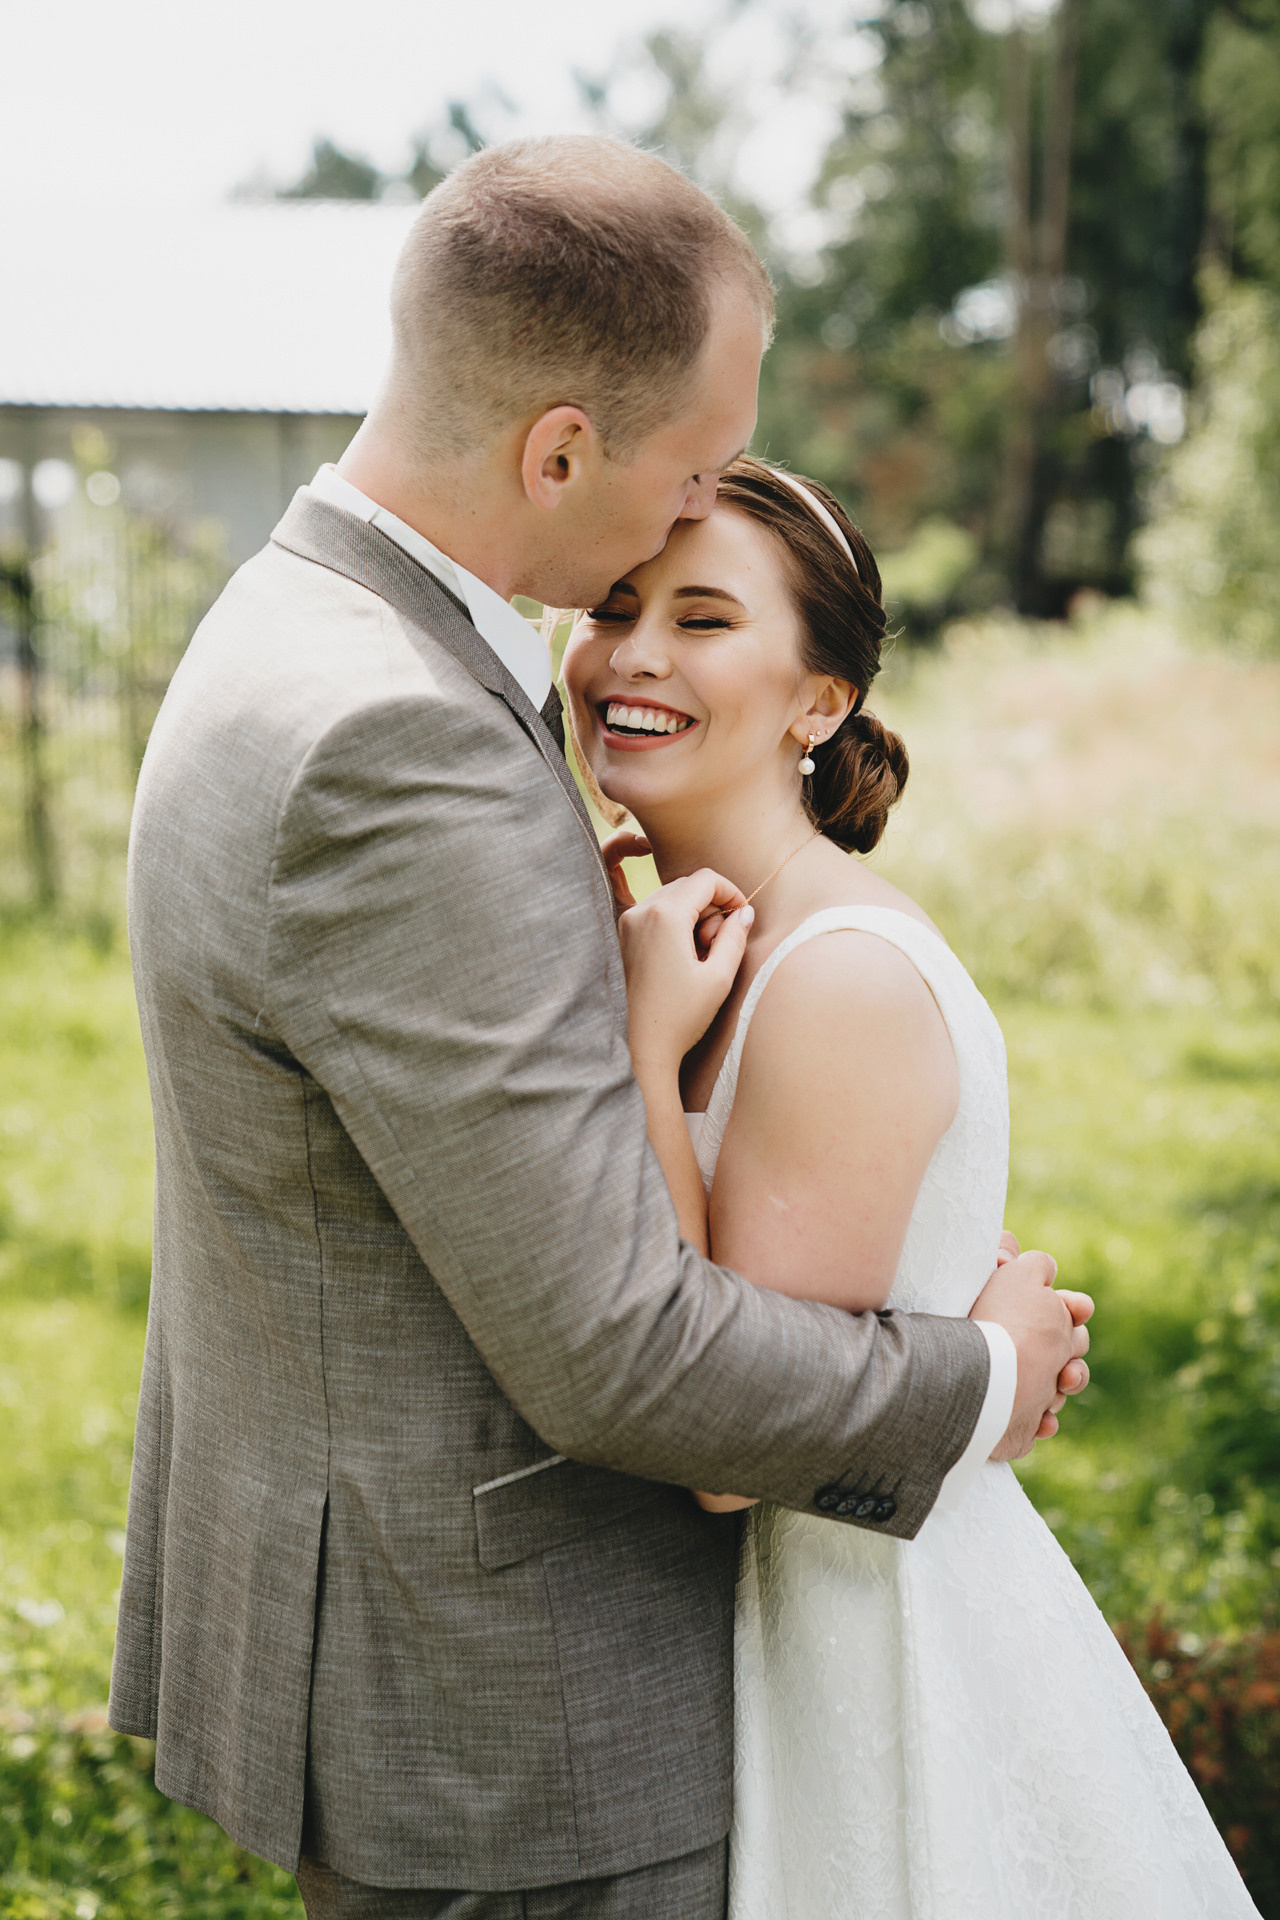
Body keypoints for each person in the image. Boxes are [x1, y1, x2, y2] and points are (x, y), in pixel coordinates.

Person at [108, 138, 1090, 1920]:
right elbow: (630, 1360)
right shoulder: (405, 744)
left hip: (452, 1655)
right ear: (562, 448)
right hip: (526, 1718)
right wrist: (990, 1377)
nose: (683, 521)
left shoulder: (290, 625)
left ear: (822, 700)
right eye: (692, 472)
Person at [561, 452, 1259, 1918]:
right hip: (754, 1633)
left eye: (702, 619)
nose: (631, 653)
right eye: (616, 604)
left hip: (871, 1641)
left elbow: (729, 1445)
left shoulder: (840, 980)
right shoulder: (688, 942)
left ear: (821, 702)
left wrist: (638, 1050)